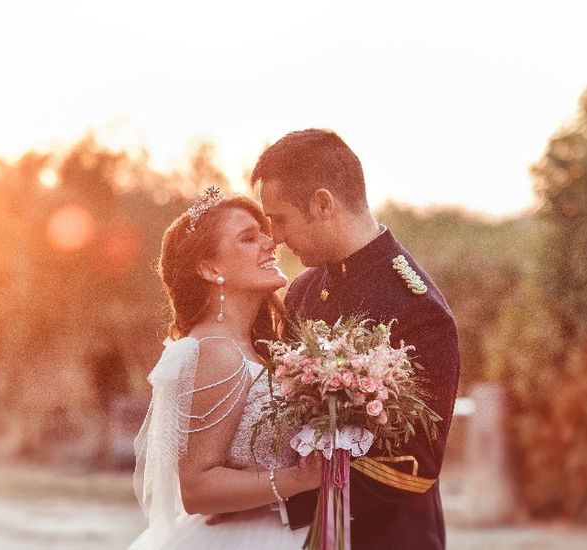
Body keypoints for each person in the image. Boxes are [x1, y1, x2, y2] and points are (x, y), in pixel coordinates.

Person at [252, 129, 461, 549]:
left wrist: (277, 502)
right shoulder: (304, 290)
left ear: (323, 204)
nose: (274, 237)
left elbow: (410, 467)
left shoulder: (416, 308)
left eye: (279, 219)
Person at [129, 189, 321, 549]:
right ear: (210, 268)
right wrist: (300, 478)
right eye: (249, 238)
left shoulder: (251, 347)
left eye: (264, 233)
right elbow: (198, 490)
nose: (271, 242)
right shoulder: (217, 352)